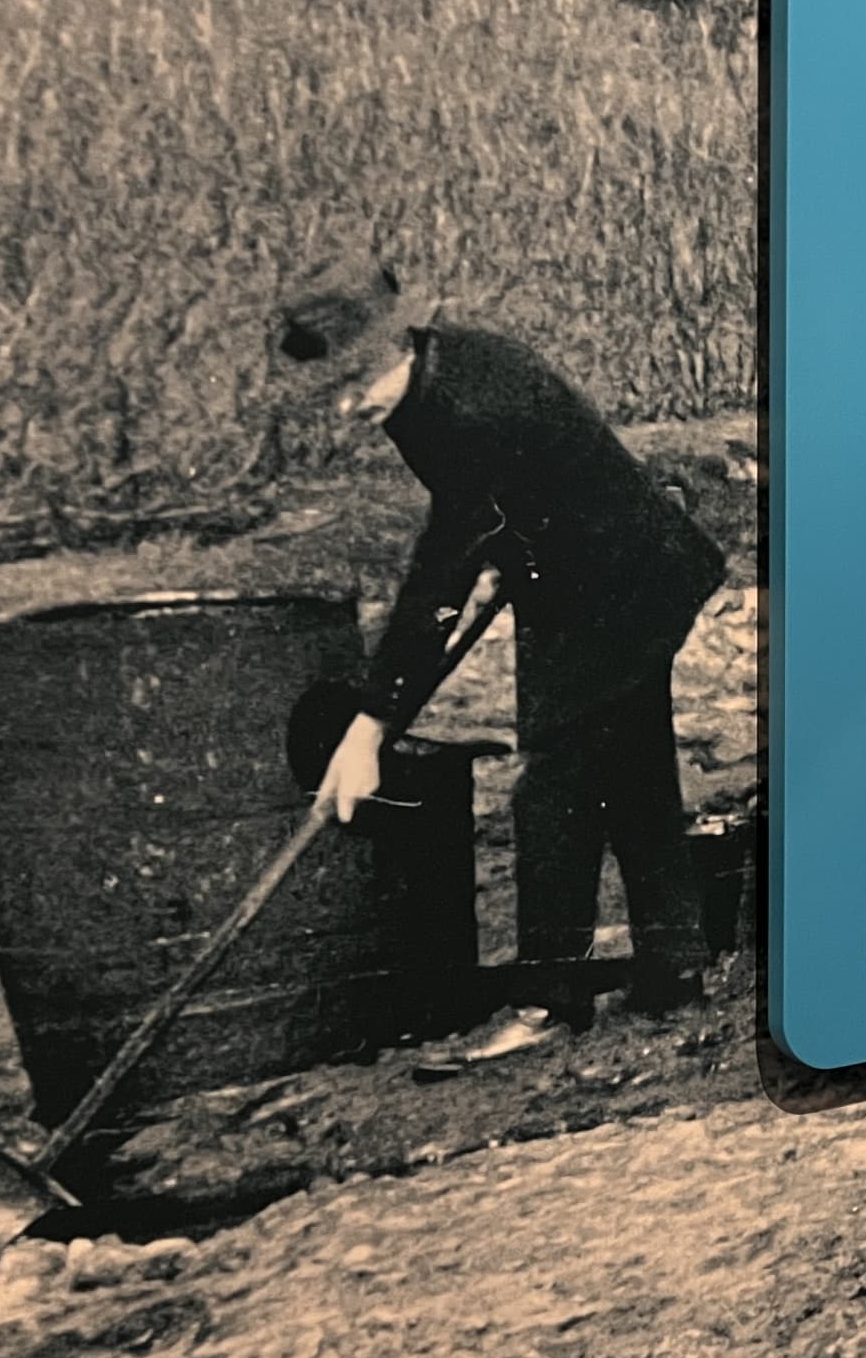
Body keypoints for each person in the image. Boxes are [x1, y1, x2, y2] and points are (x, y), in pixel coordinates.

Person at [270, 262, 726, 1063]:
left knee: (553, 788)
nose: (350, 407)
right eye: (333, 391)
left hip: (616, 585)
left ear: (397, 343)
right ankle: (675, 968)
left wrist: (372, 725)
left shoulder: (468, 407)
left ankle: (546, 1001)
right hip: (588, 573)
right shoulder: (439, 371)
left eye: (357, 382)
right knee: (635, 771)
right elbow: (480, 526)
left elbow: (446, 563)